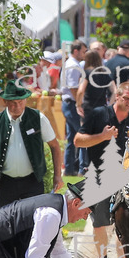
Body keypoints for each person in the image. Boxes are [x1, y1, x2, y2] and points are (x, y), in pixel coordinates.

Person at [75, 83, 129, 258]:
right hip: (99, 179)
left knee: (123, 226)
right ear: (116, 97)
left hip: (124, 182)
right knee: (100, 224)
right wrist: (101, 137)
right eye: (126, 98)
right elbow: (78, 140)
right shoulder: (98, 115)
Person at [0, 80, 62, 207]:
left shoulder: (38, 118)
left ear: (25, 100)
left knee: (32, 223)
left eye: (20, 102)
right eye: (13, 103)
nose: (17, 106)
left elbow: (55, 146)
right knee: (6, 223)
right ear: (5, 102)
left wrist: (58, 176)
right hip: (5, 183)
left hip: (32, 181)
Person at [59, 40, 87, 175]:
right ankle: (82, 169)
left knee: (72, 138)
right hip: (71, 104)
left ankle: (69, 169)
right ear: (76, 51)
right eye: (83, 51)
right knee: (82, 136)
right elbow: (73, 88)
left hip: (69, 103)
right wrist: (79, 104)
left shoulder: (71, 64)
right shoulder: (73, 65)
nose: (85, 54)